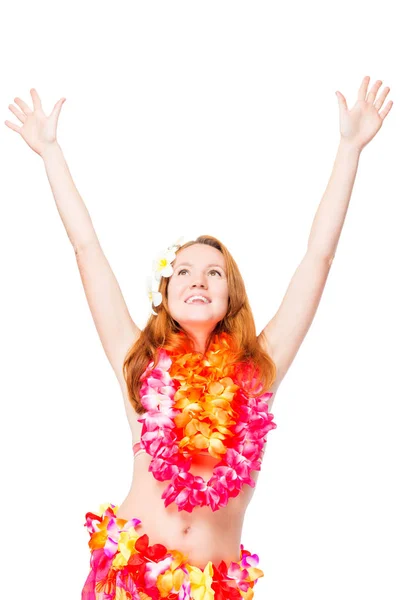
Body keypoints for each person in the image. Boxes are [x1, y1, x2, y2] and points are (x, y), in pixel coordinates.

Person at [5, 75, 393, 600]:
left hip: (215, 589)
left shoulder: (258, 371)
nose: (197, 280)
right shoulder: (139, 365)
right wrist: (50, 152)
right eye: (183, 271)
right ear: (165, 293)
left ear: (230, 293)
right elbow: (87, 250)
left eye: (213, 272)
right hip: (130, 582)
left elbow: (316, 261)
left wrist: (349, 149)